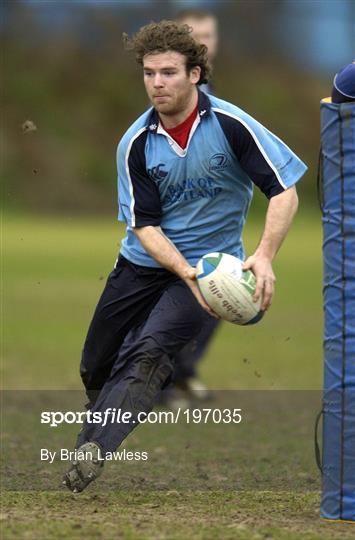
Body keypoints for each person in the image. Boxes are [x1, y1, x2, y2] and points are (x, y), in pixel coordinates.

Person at [63, 20, 307, 493]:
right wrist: (182, 269)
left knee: (149, 351)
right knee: (95, 365)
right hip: (142, 266)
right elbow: (144, 225)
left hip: (210, 269)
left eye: (169, 72)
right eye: (150, 73)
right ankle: (117, 414)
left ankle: (94, 448)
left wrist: (263, 256)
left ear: (195, 74)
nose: (157, 82)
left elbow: (284, 190)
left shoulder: (232, 126)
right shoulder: (135, 143)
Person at [159, 9, 220, 407]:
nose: (204, 41)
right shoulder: (172, 92)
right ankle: (162, 380)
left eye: (209, 34)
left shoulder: (213, 100)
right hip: (170, 223)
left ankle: (183, 372)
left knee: (222, 290)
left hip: (209, 222)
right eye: (194, 34)